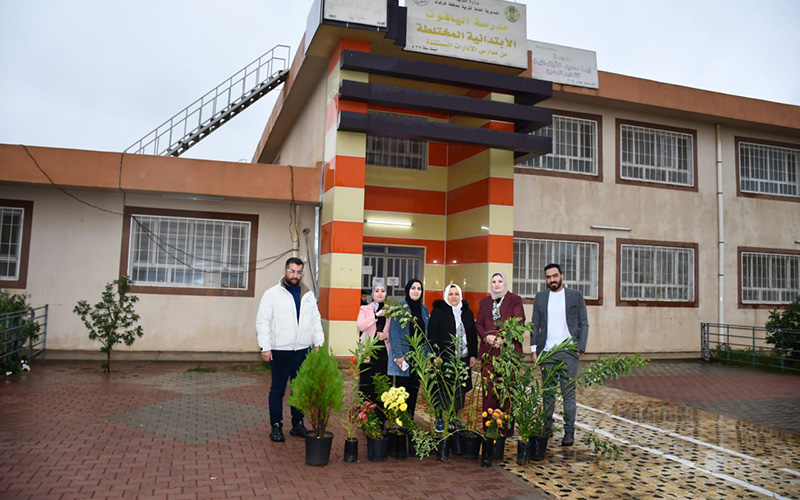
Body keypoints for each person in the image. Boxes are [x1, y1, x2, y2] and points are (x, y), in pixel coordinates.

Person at [255, 257, 324, 443]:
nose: (295, 275)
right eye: (292, 271)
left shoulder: (308, 294)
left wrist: (318, 343)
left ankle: (297, 424)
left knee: (299, 389)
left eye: (299, 272)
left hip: (302, 350)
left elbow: (315, 320)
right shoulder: (272, 294)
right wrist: (265, 346)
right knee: (278, 390)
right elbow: (263, 321)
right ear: (285, 271)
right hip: (280, 350)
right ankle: (276, 426)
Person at [530, 263, 589, 447]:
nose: (552, 280)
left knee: (568, 393)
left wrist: (580, 348)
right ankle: (547, 427)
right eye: (548, 277)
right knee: (548, 394)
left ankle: (569, 432)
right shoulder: (540, 297)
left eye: (555, 276)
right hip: (547, 352)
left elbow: (584, 323)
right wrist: (534, 349)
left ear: (562, 276)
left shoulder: (575, 296)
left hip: (568, 352)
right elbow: (535, 324)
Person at [475, 271, 525, 436]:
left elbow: (519, 322)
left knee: (507, 390)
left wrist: (503, 339)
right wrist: (486, 337)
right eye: (494, 281)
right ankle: (489, 426)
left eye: (500, 281)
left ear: (505, 283)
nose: (496, 284)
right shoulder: (485, 301)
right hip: (488, 353)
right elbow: (479, 324)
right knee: (489, 390)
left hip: (508, 353)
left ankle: (506, 428)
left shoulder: (515, 299)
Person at [427, 283, 477, 433]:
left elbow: (472, 335)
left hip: (462, 358)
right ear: (446, 296)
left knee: (459, 390)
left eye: (456, 294)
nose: (454, 297)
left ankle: (454, 417)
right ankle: (439, 419)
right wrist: (435, 355)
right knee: (441, 389)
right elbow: (432, 335)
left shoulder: (467, 313)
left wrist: (473, 354)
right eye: (451, 294)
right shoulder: (438, 312)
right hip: (444, 359)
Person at [388, 278, 429, 419]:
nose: (416, 291)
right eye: (413, 288)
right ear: (407, 290)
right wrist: (399, 355)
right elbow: (393, 333)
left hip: (418, 357)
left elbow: (426, 333)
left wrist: (426, 355)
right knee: (402, 389)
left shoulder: (424, 309)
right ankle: (400, 419)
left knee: (414, 388)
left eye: (419, 289)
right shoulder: (400, 308)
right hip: (404, 357)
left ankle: (409, 419)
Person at [356, 281, 391, 408]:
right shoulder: (365, 309)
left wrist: (386, 335)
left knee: (382, 385)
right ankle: (365, 414)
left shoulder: (390, 311)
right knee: (367, 384)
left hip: (384, 352)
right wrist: (376, 315)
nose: (380, 293)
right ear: (372, 293)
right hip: (368, 351)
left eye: (383, 291)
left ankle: (381, 415)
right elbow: (360, 326)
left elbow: (394, 332)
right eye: (377, 291)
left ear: (386, 294)